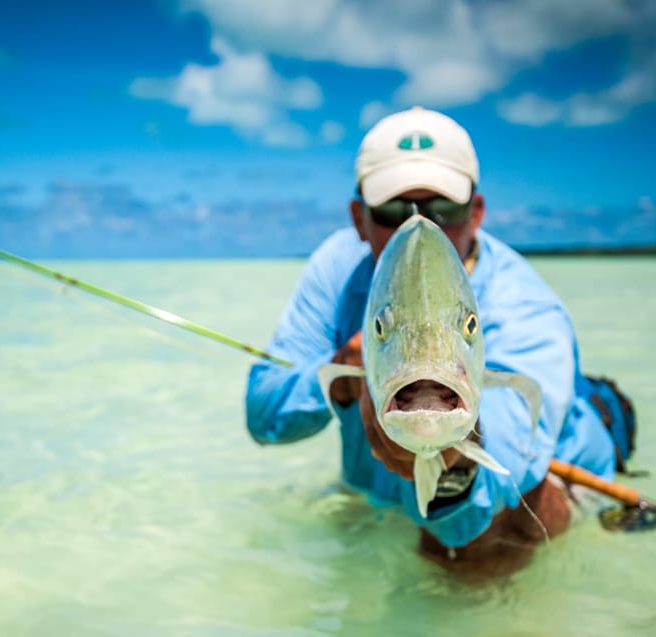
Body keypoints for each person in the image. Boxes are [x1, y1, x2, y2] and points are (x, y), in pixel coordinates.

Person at [245, 106, 635, 568]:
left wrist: (457, 463)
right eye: (393, 209)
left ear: (477, 212)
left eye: (444, 208)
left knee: (478, 542)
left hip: (540, 473)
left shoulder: (527, 307)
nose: (419, 225)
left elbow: (505, 459)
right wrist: (344, 376)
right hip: (389, 488)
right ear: (358, 218)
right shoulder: (337, 267)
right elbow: (264, 412)